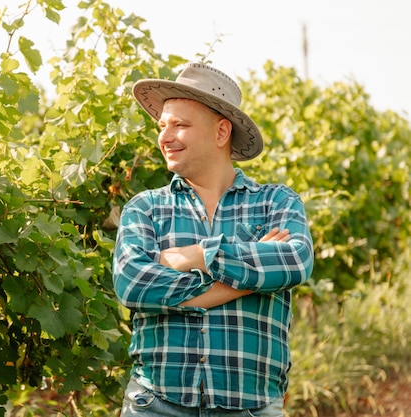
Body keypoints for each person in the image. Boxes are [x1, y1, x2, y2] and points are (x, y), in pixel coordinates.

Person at [112, 62, 314, 417]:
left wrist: (196, 256)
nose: (165, 136)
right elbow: (133, 285)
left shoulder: (276, 202)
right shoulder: (145, 207)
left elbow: (295, 262)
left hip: (250, 408)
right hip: (155, 404)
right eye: (163, 125)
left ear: (221, 132)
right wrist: (252, 277)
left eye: (180, 125)